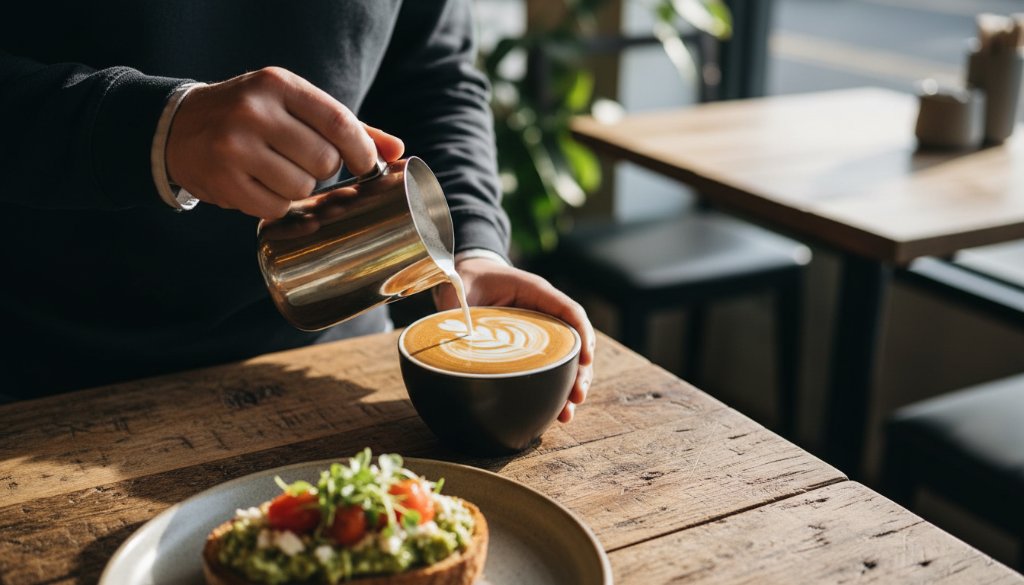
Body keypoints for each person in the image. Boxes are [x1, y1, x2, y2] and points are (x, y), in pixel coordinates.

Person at [0, 0, 594, 421]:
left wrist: (473, 248)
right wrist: (154, 128)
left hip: (337, 368)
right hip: (51, 382)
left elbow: (433, 72)